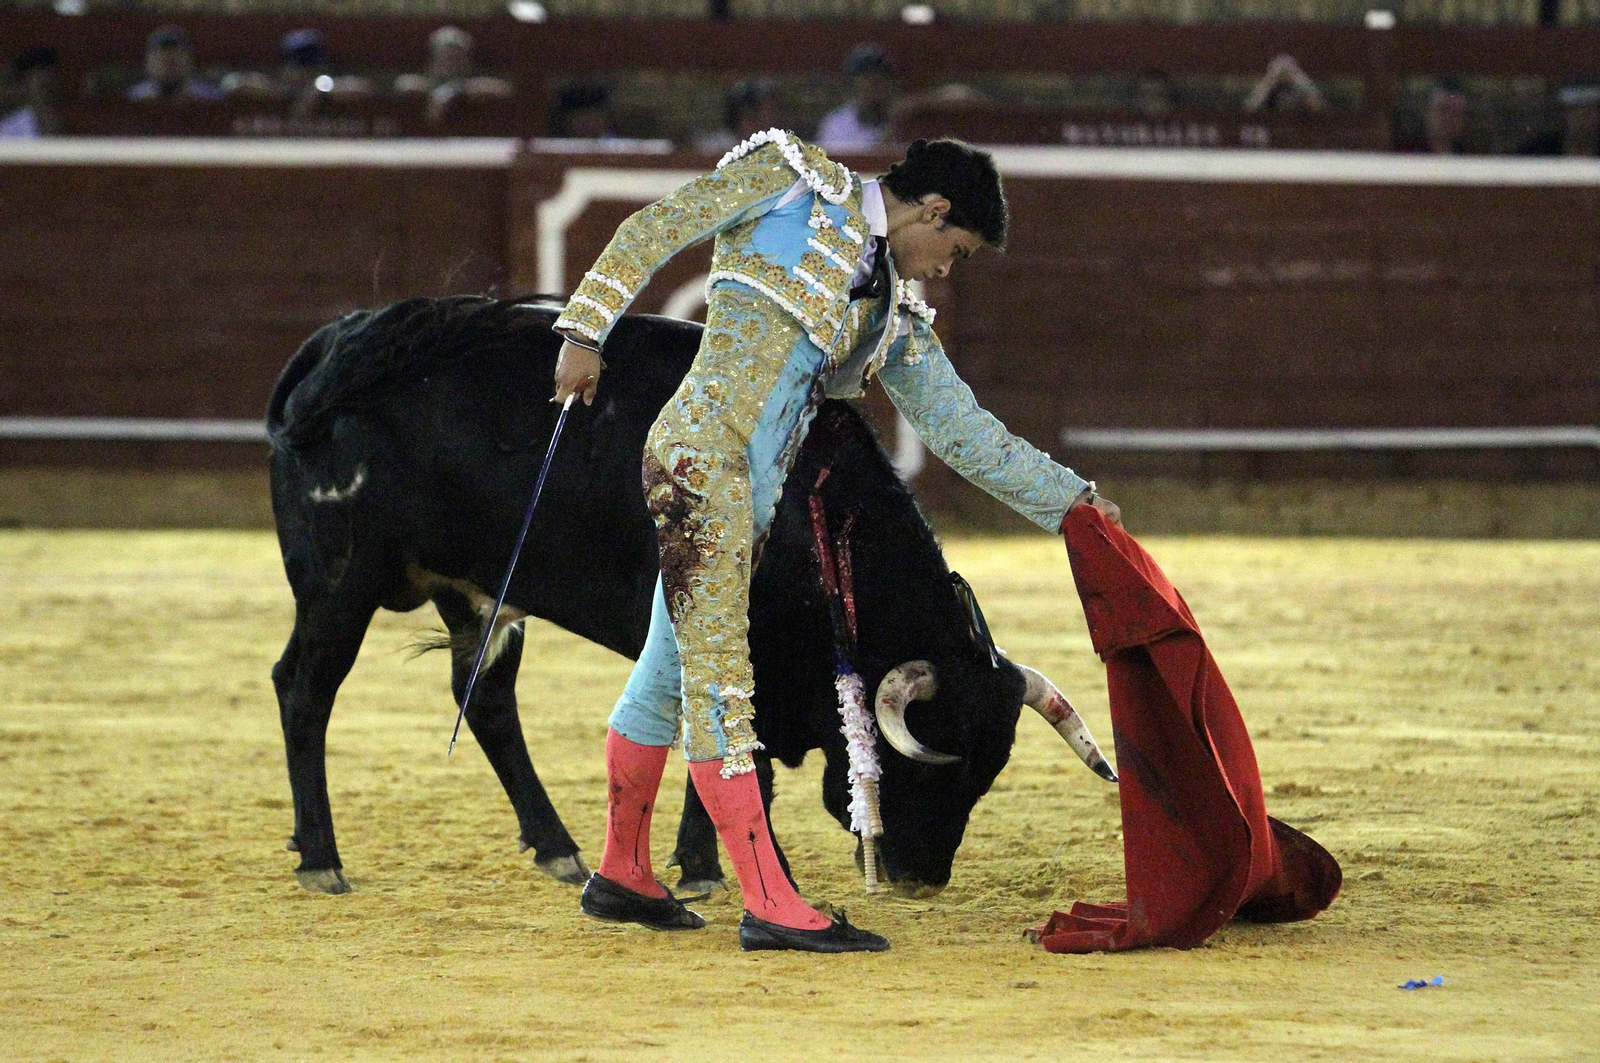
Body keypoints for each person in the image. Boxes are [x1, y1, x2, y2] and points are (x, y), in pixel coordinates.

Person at [550, 132, 1120, 953]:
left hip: (744, 495)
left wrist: (1075, 502)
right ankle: (770, 902)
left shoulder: (888, 311)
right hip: (699, 462)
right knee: (721, 686)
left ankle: (622, 871)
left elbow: (964, 433)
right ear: (933, 210)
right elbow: (657, 224)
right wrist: (583, 331)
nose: (945, 269)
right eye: (952, 249)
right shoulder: (788, 181)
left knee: (667, 671)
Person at [393, 25, 511, 125]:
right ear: (433, 61)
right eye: (446, 57)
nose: (450, 64)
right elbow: (403, 84)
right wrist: (437, 92)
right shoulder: (422, 82)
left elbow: (503, 89)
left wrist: (452, 91)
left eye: (457, 58)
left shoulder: (474, 82)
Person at [815, 43, 898, 152]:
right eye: (864, 78)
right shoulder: (836, 124)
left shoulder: (902, 122)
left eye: (878, 78)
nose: (871, 84)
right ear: (852, 84)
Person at [126, 26, 224, 103]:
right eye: (162, 61)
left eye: (174, 61)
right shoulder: (135, 98)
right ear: (148, 64)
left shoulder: (210, 98)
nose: (168, 67)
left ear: (190, 62)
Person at [693, 78, 781, 154]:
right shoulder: (715, 146)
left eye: (770, 114)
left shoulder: (778, 145)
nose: (766, 121)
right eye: (750, 117)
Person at [1, 47, 62, 138]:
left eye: (49, 75)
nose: (47, 82)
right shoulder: (10, 128)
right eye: (39, 78)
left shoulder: (61, 119)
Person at [1242, 54, 1327, 114]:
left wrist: (1309, 98)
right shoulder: (1266, 88)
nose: (1283, 76)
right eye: (1280, 74)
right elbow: (1250, 107)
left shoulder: (1302, 85)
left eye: (1287, 74)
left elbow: (1319, 106)